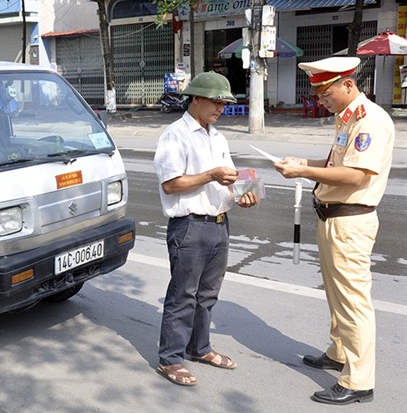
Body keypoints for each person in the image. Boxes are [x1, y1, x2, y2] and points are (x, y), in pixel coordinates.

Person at [274, 57, 395, 405]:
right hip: (332, 218)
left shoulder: (368, 120)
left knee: (353, 301)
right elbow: (332, 166)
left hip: (350, 220)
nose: (321, 100)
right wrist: (299, 163)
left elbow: (356, 176)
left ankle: (359, 381)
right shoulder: (347, 118)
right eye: (319, 94)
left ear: (348, 84)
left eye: (326, 93)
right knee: (335, 294)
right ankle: (339, 351)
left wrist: (302, 174)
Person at [153, 71, 259, 386]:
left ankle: (200, 347)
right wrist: (210, 175)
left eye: (224, 103)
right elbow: (172, 185)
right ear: (195, 98)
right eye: (215, 101)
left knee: (208, 295)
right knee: (183, 294)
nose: (220, 108)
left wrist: (243, 195)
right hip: (190, 226)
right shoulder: (176, 135)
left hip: (219, 224)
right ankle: (170, 359)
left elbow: (230, 180)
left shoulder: (217, 136)